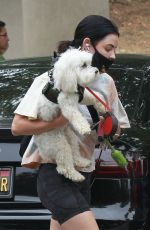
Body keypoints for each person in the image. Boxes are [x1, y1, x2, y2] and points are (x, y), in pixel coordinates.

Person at [11, 15, 130, 230]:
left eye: (115, 50)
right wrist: (60, 120)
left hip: (85, 173)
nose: (112, 56)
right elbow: (17, 127)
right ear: (87, 45)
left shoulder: (107, 83)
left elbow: (117, 129)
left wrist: (110, 129)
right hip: (54, 174)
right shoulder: (51, 79)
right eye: (108, 48)